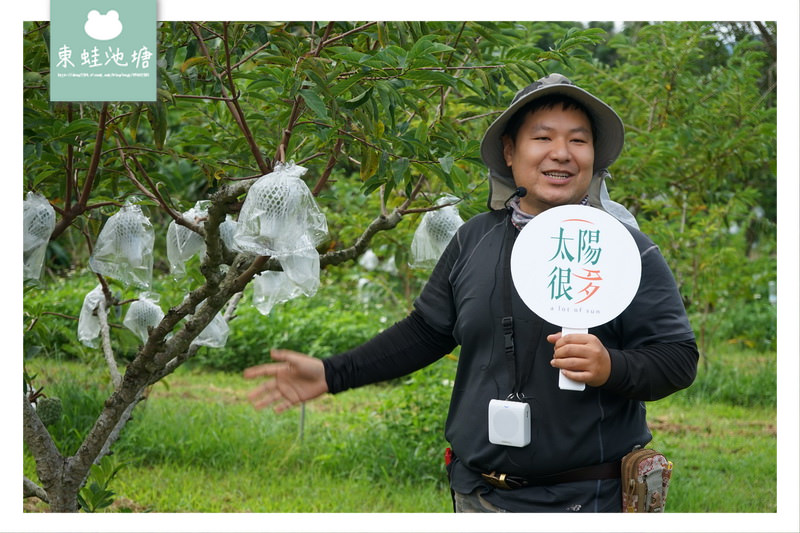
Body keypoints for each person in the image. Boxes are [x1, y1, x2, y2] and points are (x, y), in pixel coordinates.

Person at [244, 73, 698, 513]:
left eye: (578, 140)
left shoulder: (624, 249)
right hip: (476, 496)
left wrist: (610, 366)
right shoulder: (474, 238)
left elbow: (677, 358)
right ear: (510, 150)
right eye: (542, 138)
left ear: (594, 156)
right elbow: (426, 332)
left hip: (586, 501)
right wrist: (332, 373)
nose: (561, 153)